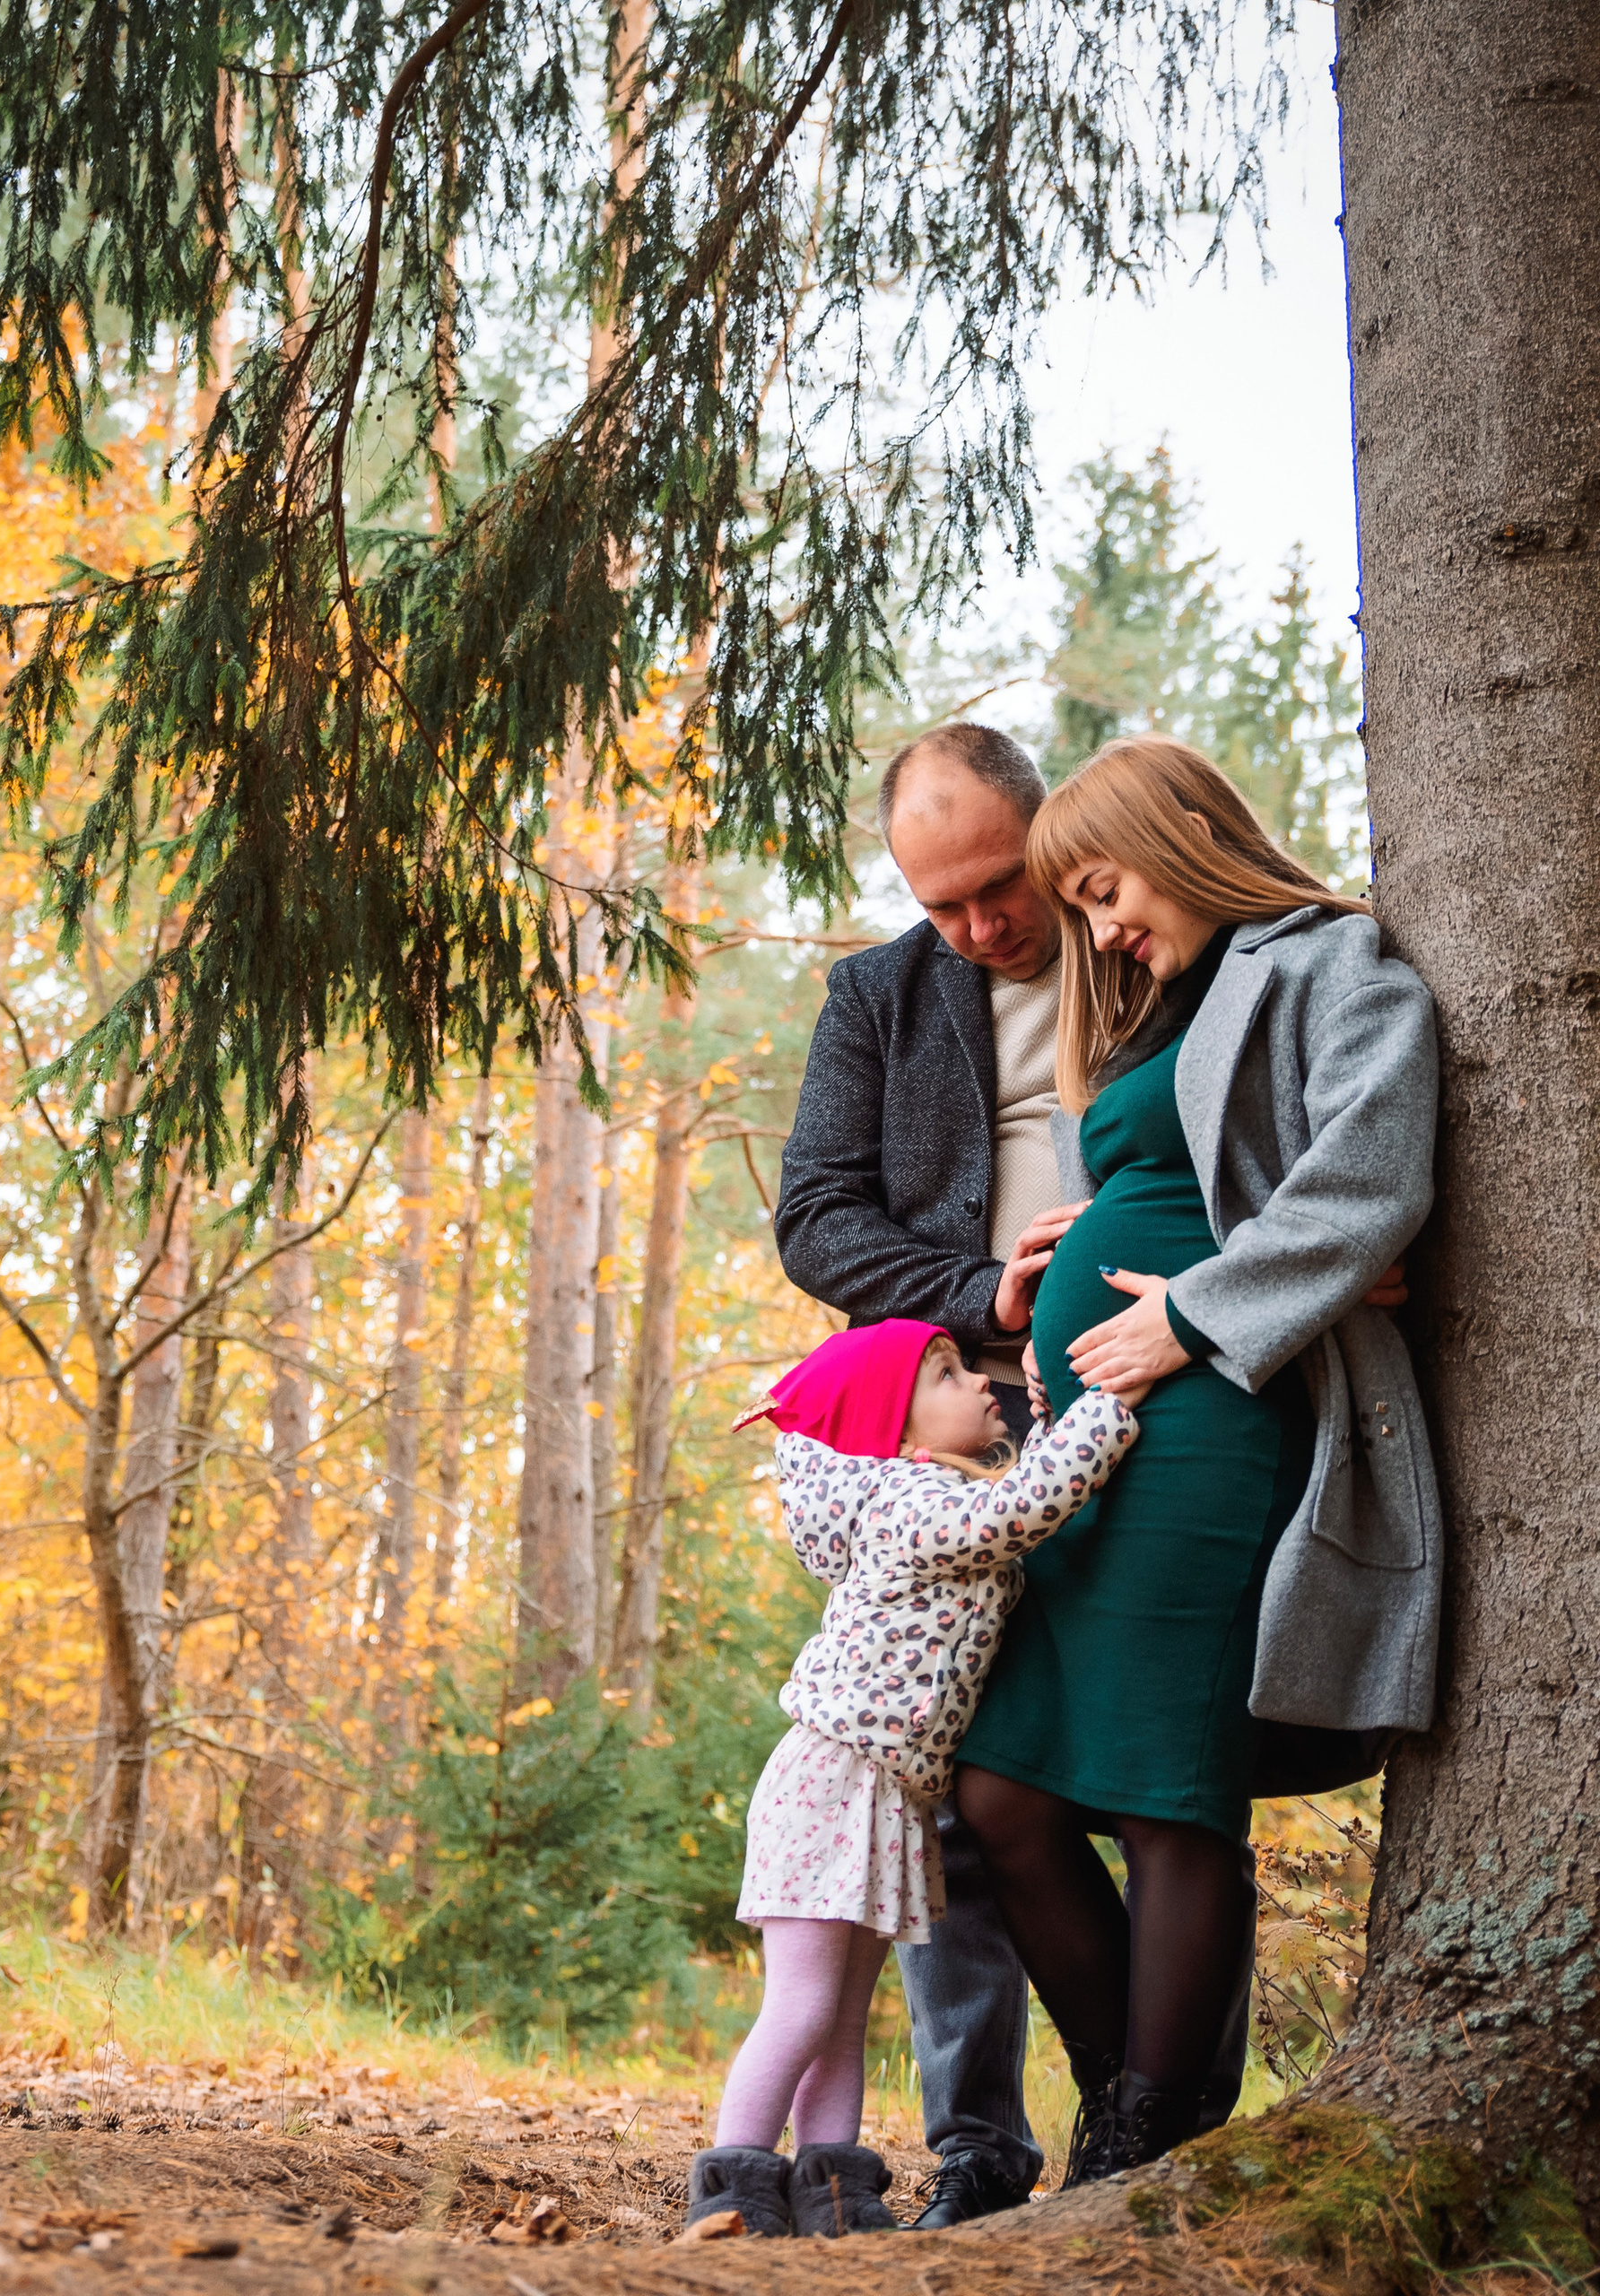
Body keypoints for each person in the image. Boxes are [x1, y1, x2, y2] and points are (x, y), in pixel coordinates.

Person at [953, 735, 1441, 2180]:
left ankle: (1144, 2147)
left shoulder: (1326, 963)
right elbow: (1175, 1185)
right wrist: (1060, 1256)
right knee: (1004, 1795)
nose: (1099, 931)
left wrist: (1195, 1313)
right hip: (1087, 1451)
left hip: (1212, 1426)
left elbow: (1371, 1175)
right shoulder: (1159, 1005)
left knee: (1171, 1791)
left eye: (1106, 890)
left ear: (1182, 836)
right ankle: (1136, 2123)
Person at [773, 723, 1125, 2225]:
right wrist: (982, 1291)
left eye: (999, 885)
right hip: (959, 1423)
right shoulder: (877, 998)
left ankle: (1150, 2103)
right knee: (933, 1783)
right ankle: (979, 2140)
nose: (983, 927)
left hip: (1145, 1396)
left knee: (1135, 1765)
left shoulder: (1148, 946)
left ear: (1051, 831)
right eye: (945, 906)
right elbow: (818, 1225)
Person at [685, 1319, 1141, 2240]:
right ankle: (729, 2191)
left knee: (844, 2017)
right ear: (897, 1433)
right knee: (805, 2003)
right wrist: (1111, 1403)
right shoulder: (907, 1499)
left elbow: (1016, 1489)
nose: (981, 1381)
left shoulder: (931, 1488)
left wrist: (1050, 1417)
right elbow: (1022, 1511)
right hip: (834, 1777)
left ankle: (836, 2204)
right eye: (947, 1373)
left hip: (883, 1789)